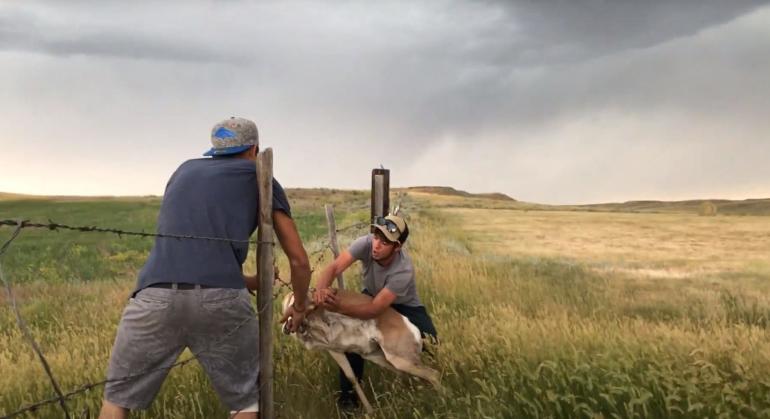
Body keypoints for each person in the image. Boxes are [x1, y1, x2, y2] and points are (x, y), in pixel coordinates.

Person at [99, 117, 311, 419]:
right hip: (221, 299)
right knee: (245, 403)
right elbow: (300, 260)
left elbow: (193, 247)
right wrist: (301, 305)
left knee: (117, 398)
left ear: (214, 149)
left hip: (154, 294)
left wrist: (252, 281)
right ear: (254, 149)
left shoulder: (184, 170)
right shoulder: (260, 175)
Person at [313, 214, 438, 408]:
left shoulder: (403, 270)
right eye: (376, 236)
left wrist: (338, 307)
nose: (376, 245)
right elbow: (334, 267)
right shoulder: (365, 243)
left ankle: (429, 388)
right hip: (371, 296)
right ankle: (349, 398)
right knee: (351, 339)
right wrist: (321, 290)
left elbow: (374, 310)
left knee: (430, 342)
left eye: (385, 242)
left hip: (405, 305)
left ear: (397, 247)